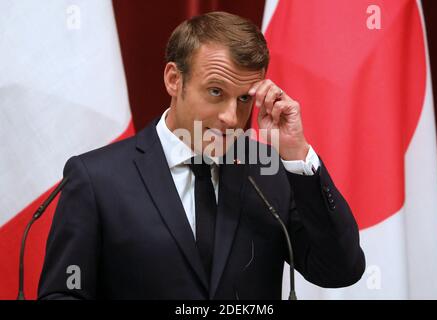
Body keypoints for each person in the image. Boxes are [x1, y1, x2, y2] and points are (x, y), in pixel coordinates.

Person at [38, 11, 365, 300]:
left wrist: (296, 152)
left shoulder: (269, 172)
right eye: (215, 92)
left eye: (243, 99)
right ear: (173, 79)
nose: (230, 117)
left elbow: (340, 270)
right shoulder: (98, 178)